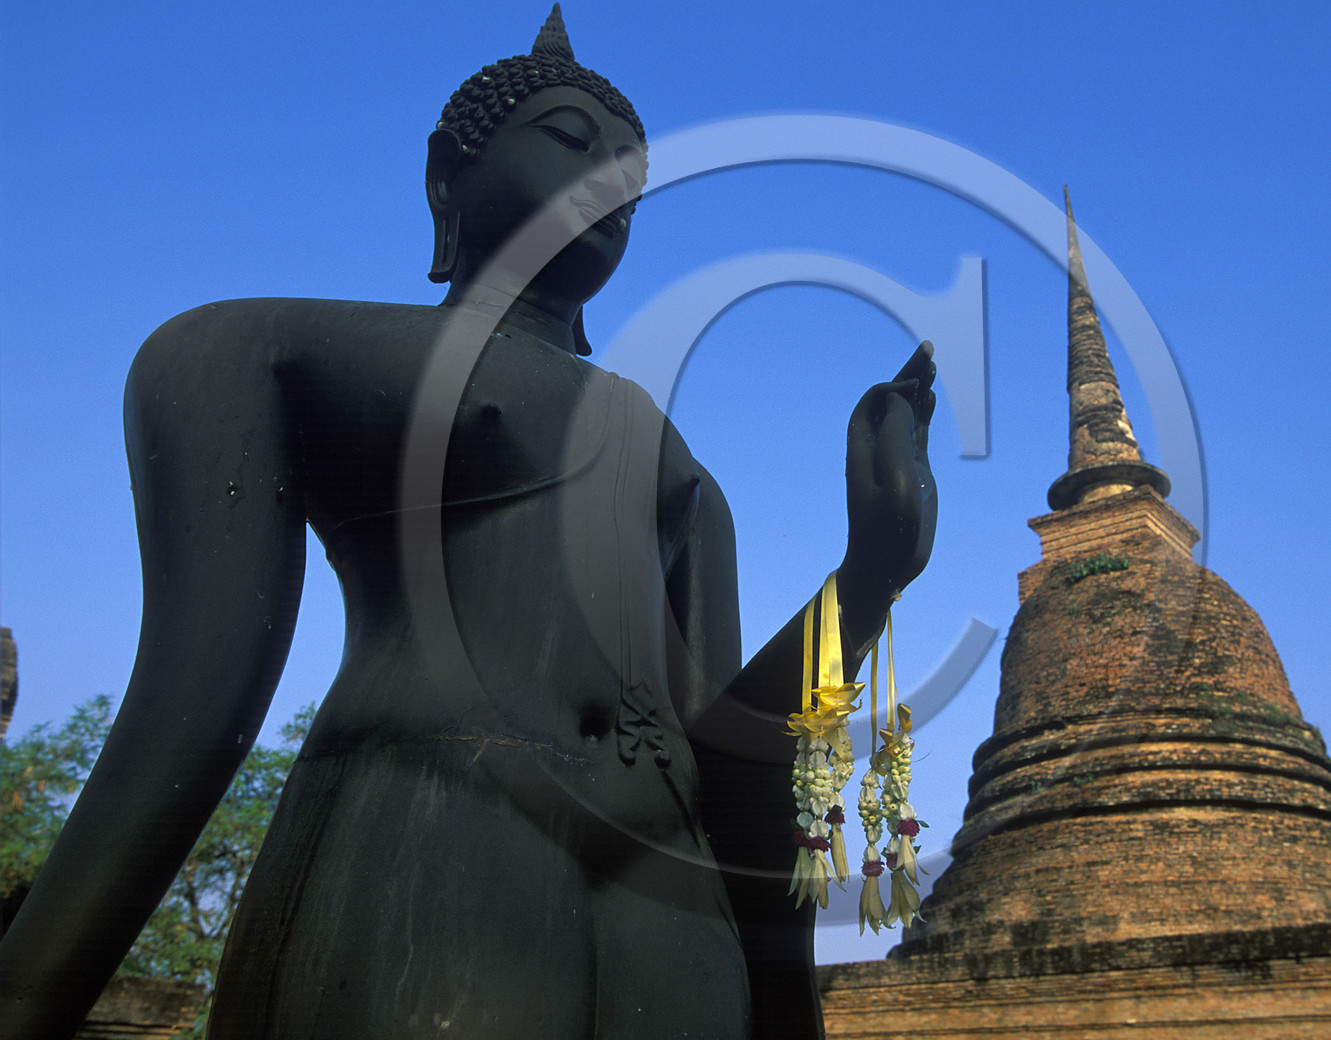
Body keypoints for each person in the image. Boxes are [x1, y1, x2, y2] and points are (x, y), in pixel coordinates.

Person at [0, 7, 936, 1039]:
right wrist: (30, 990)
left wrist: (869, 573)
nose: (611, 186)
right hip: (433, 834)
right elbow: (190, 706)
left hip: (670, 902)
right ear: (449, 177)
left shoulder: (676, 466)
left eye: (631, 171)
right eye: (572, 143)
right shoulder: (258, 351)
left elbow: (727, 752)